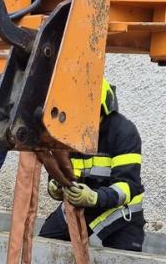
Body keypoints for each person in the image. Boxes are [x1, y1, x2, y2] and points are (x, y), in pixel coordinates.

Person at [39, 80, 145, 252]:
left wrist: (93, 197)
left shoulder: (124, 132)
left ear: (102, 108)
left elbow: (127, 187)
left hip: (119, 213)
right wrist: (55, 186)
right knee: (45, 245)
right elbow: (59, 169)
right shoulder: (70, 131)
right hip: (81, 206)